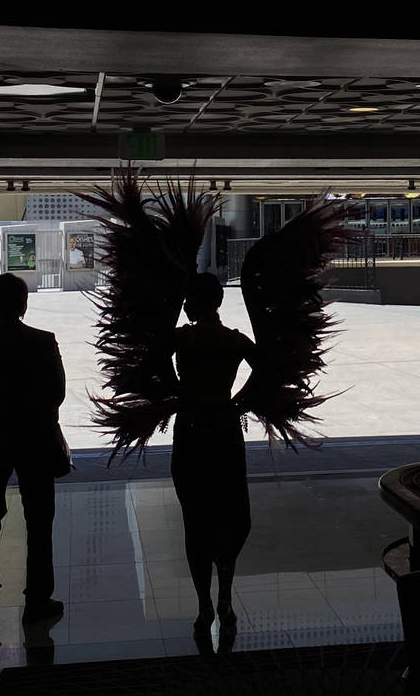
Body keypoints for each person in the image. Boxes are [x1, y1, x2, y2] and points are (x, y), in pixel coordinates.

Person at [0, 273, 66, 623]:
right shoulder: (44, 342)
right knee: (39, 520)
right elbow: (57, 394)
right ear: (23, 305)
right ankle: (38, 598)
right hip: (36, 439)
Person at [171, 273, 257, 637]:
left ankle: (204, 602)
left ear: (193, 302)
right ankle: (224, 593)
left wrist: (177, 394)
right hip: (224, 429)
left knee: (195, 518)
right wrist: (238, 403)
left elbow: (146, 360)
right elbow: (270, 370)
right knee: (230, 513)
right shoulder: (233, 340)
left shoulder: (181, 339)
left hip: (190, 429)